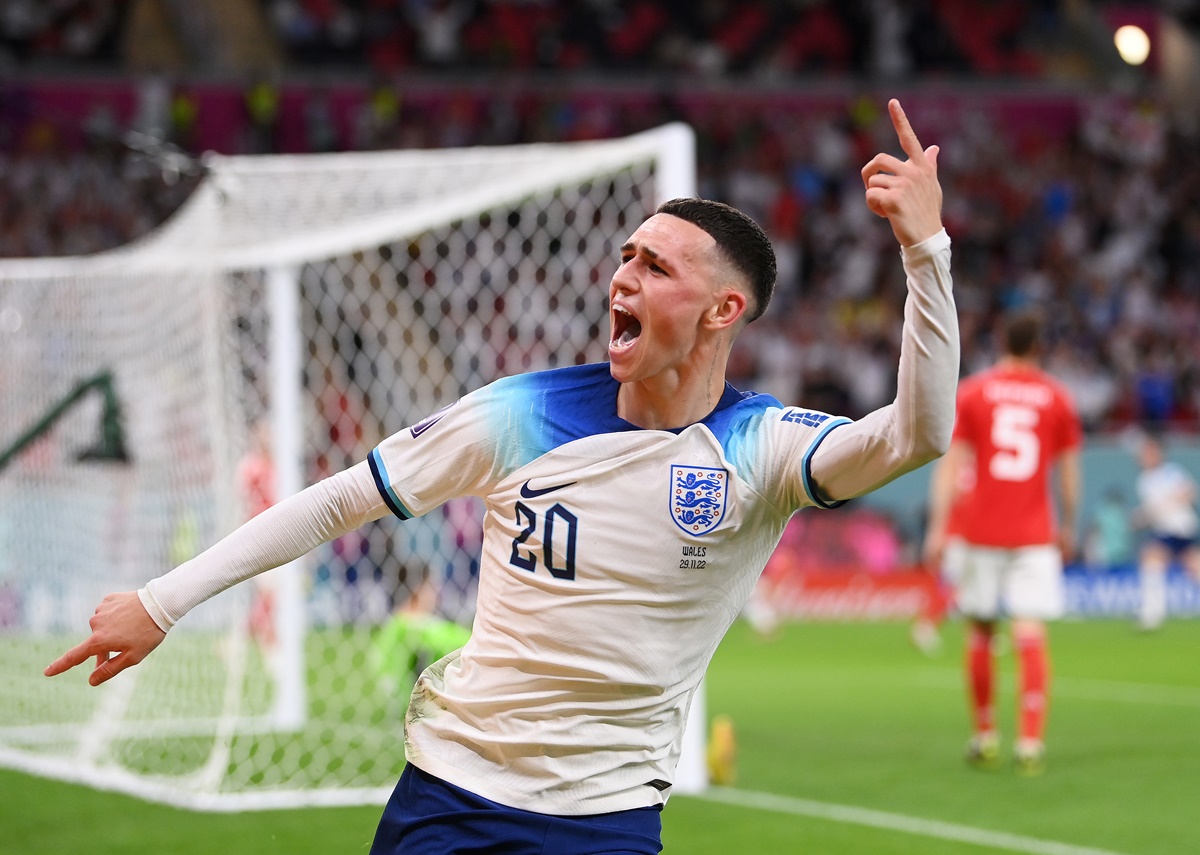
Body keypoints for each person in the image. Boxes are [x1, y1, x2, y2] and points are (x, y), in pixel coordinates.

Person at [44, 99, 957, 855]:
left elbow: (916, 434)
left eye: (655, 265)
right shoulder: (519, 411)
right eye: (625, 256)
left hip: (609, 818)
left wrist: (926, 254)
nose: (622, 277)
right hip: (453, 791)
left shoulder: (760, 447)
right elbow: (340, 499)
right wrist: (164, 601)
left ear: (723, 309)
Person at [925, 310, 1082, 777]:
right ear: (1039, 347)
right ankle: (1031, 742)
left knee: (981, 632)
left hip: (979, 531)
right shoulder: (1057, 397)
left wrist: (938, 526)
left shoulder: (974, 392)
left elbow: (953, 465)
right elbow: (1069, 471)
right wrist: (1070, 523)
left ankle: (986, 734)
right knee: (1029, 632)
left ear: (1001, 340)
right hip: (1035, 534)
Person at [1132, 434, 1200, 631]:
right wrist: (1142, 517)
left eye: (1149, 452)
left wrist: (1167, 504)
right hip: (1164, 530)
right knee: (1151, 561)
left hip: (1181, 527)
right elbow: (1152, 511)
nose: (1145, 457)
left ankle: (1152, 614)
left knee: (1190, 567)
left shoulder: (1170, 472)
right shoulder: (1144, 480)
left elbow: (1188, 492)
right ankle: (1152, 612)